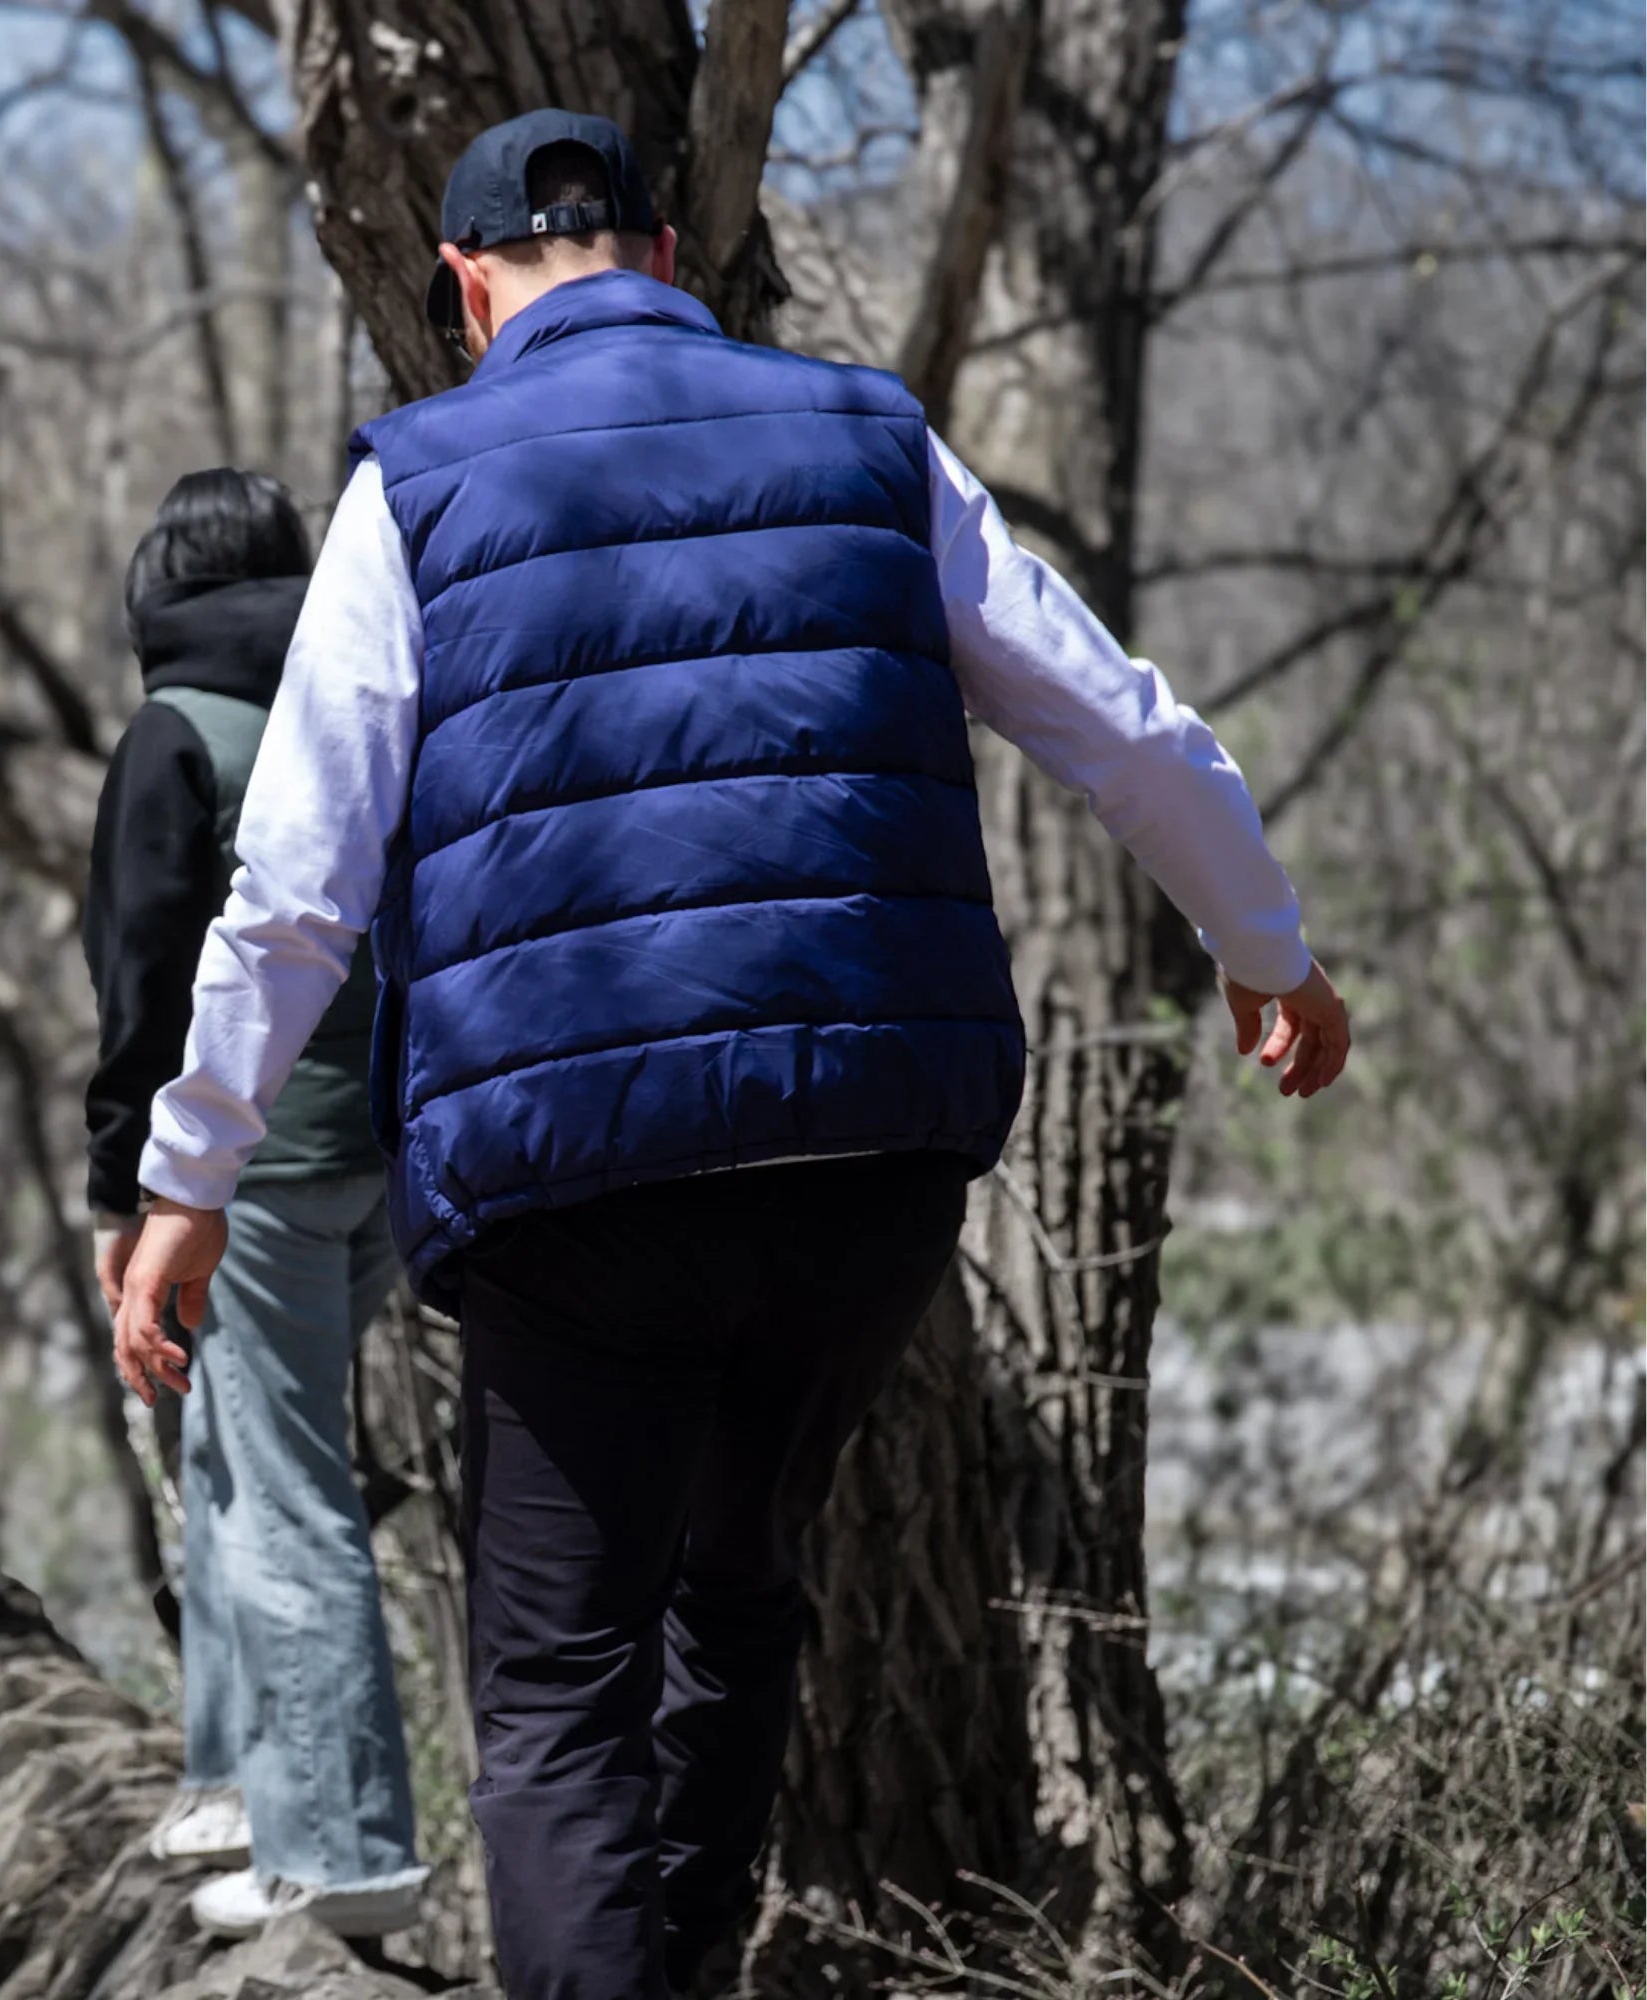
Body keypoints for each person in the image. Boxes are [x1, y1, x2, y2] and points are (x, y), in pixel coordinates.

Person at [112, 111, 1350, 1999]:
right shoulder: (867, 432)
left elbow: (295, 887)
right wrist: (1268, 952)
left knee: (557, 1689)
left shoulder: (419, 484)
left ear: (463, 289)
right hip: (863, 1159)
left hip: (572, 1174)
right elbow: (1122, 723)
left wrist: (191, 1173)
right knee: (741, 1582)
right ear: (672, 258)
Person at [81, 468, 427, 1942]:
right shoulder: (377, 683)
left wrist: (126, 1190)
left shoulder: (179, 733)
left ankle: (340, 1851)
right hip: (400, 1154)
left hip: (249, 1171)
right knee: (236, 1452)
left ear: (160, 582)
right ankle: (232, 1781)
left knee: (281, 1496)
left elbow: (144, 975)